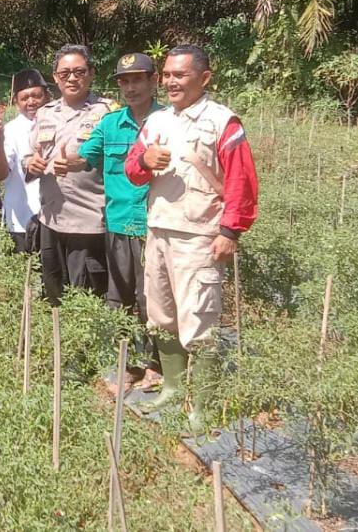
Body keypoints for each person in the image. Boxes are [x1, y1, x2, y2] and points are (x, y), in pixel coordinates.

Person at [126, 44, 258, 430]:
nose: (170, 81)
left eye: (179, 75)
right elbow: (133, 168)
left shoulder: (223, 122)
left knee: (199, 321)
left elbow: (242, 180)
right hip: (159, 231)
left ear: (204, 78)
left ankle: (199, 407)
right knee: (161, 314)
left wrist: (230, 230)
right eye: (166, 75)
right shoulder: (157, 121)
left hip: (200, 236)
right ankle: (171, 389)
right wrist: (144, 161)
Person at [74, 53, 163, 383]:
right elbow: (84, 157)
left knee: (152, 299)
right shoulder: (110, 123)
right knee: (121, 297)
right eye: (124, 81)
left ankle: (158, 365)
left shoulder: (169, 121)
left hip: (157, 225)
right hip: (119, 220)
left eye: (137, 79)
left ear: (154, 81)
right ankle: (129, 364)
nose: (130, 87)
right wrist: (57, 162)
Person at [27, 44, 115, 306]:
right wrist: (30, 163)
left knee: (87, 296)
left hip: (88, 221)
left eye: (79, 71)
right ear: (55, 77)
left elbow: (116, 162)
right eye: (64, 73)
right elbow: (32, 155)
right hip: (51, 219)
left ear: (91, 73)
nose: (72, 78)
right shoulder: (45, 113)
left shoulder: (107, 113)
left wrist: (82, 161)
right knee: (53, 292)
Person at [0, 68, 48, 253]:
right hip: (21, 220)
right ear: (16, 102)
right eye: (24, 98)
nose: (31, 102)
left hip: (57, 221)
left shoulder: (59, 123)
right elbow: (0, 174)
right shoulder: (11, 130)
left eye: (36, 96)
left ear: (46, 96)